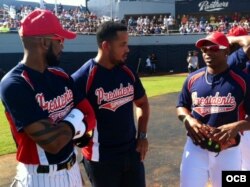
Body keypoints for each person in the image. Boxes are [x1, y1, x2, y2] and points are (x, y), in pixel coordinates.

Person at [0, 9, 96, 187]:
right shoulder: (14, 84)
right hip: (41, 178)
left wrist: (67, 127)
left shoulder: (60, 75)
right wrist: (75, 120)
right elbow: (53, 143)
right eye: (59, 40)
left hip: (72, 168)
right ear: (44, 42)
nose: (63, 46)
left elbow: (90, 115)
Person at [72, 21, 150, 187]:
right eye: (123, 45)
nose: (127, 49)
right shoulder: (82, 78)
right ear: (106, 45)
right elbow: (71, 121)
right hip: (100, 159)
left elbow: (142, 103)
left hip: (131, 152)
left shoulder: (127, 72)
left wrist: (142, 136)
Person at [176, 31, 250, 187]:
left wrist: (238, 126)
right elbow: (181, 106)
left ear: (226, 51)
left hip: (229, 151)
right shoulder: (192, 79)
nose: (208, 52)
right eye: (204, 49)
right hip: (195, 149)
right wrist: (188, 119)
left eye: (214, 48)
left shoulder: (242, 81)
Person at [227, 26, 250, 170]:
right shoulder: (236, 58)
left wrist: (232, 39)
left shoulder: (235, 58)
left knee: (237, 166)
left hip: (240, 122)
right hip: (242, 122)